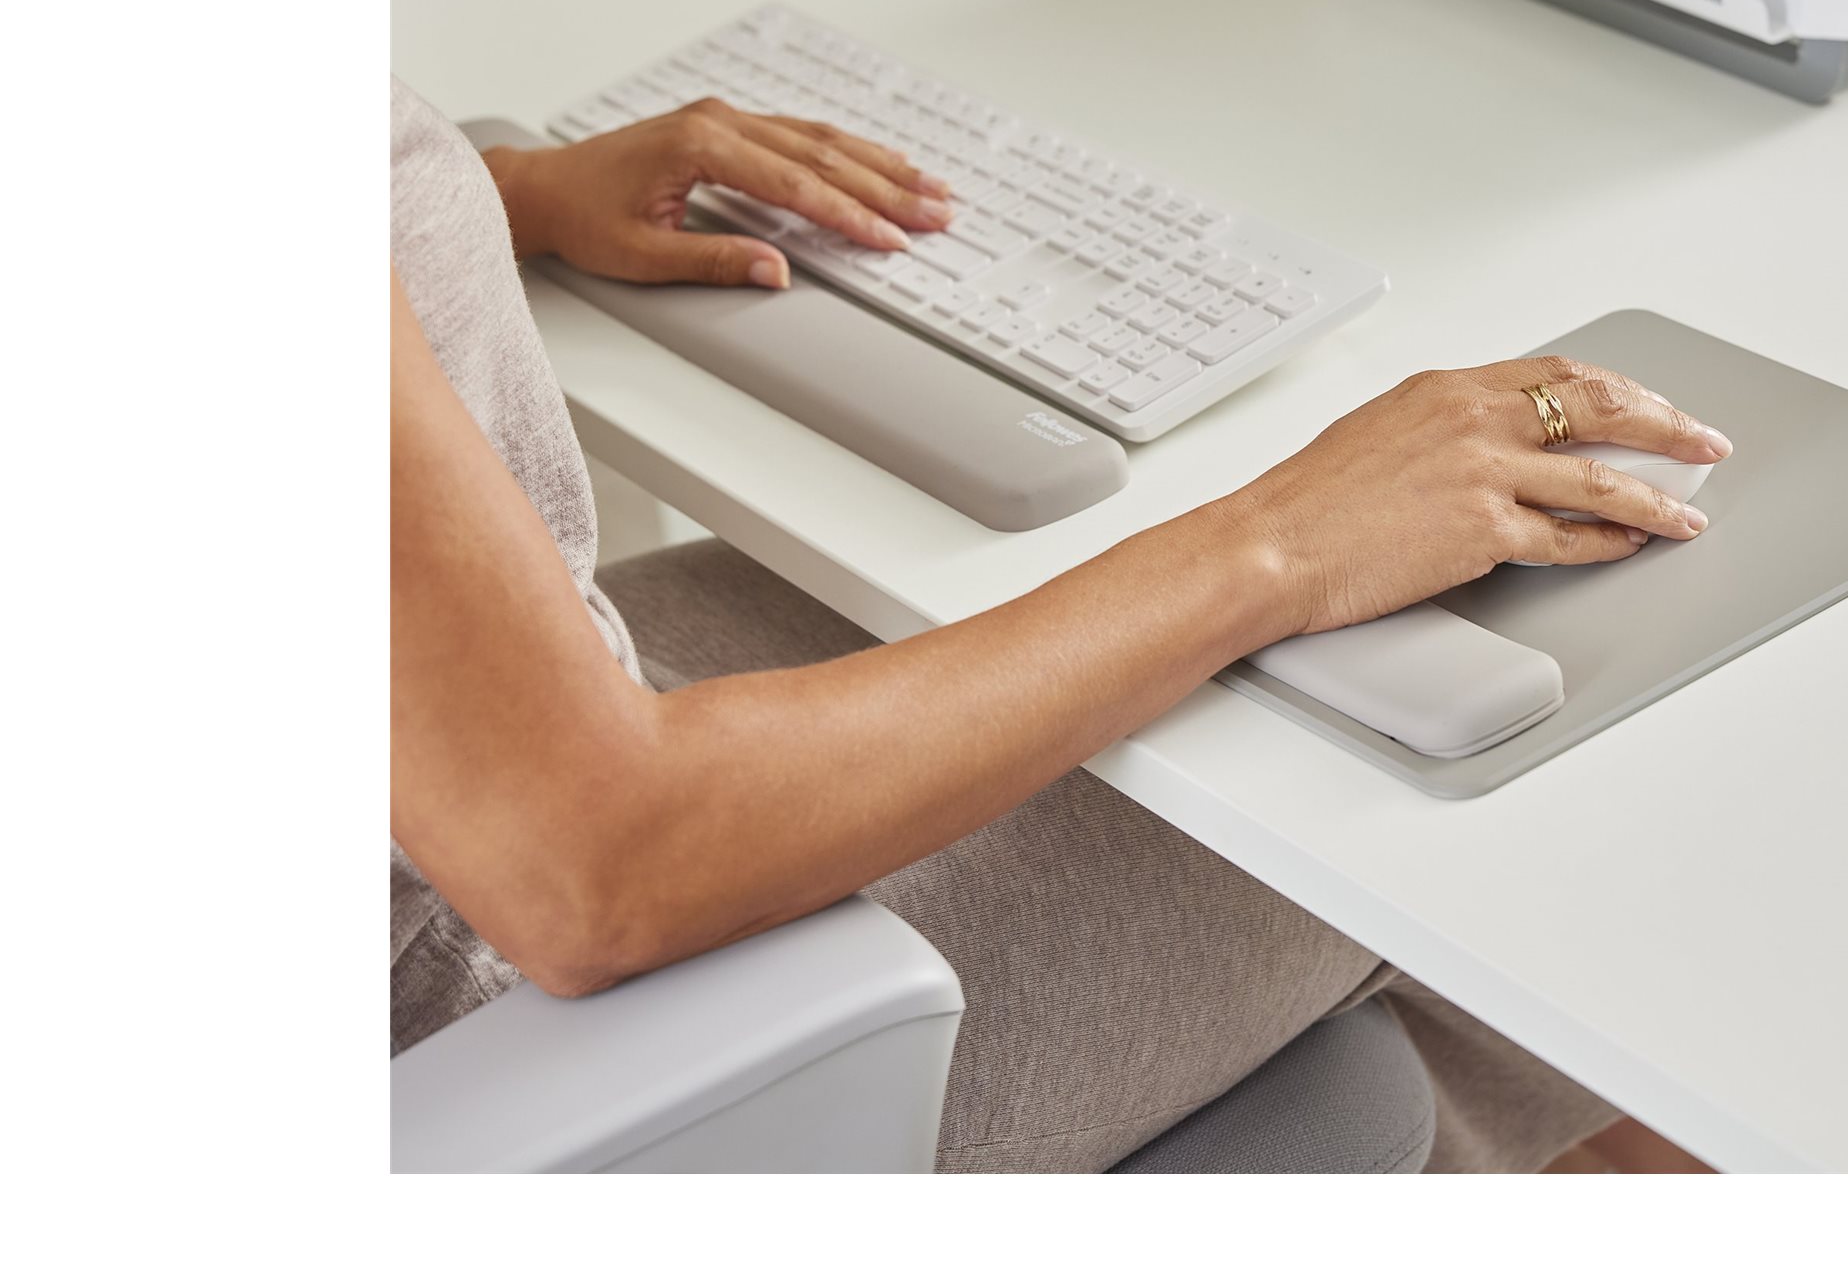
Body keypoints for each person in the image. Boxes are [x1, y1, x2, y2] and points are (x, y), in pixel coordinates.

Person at [391, 80, 1731, 1172]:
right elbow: (593, 870)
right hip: (513, 1027)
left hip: (484, 766)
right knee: (1440, 792)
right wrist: (1285, 537)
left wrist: (482, 195)